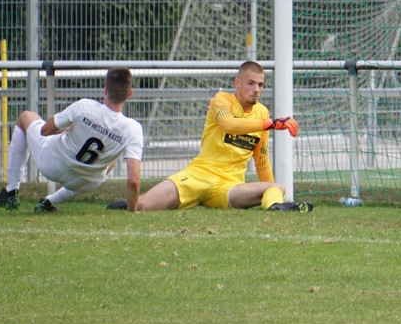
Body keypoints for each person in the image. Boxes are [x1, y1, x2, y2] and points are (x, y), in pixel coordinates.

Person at [110, 60, 310, 213]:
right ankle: (129, 203)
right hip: (198, 175)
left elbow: (262, 161)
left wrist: (270, 187)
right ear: (237, 83)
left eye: (260, 85)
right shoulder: (221, 100)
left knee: (277, 188)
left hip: (229, 188)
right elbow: (229, 125)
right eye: (251, 83)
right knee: (142, 207)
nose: (256, 90)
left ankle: (276, 208)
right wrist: (271, 123)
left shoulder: (262, 113)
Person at [0, 67, 143, 213]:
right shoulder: (133, 129)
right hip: (85, 181)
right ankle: (50, 202)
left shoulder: (85, 106)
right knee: (111, 157)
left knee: (26, 117)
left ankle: (11, 191)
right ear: (129, 93)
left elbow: (45, 130)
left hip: (52, 164)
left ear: (105, 89)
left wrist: (68, 128)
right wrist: (132, 211)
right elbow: (134, 181)